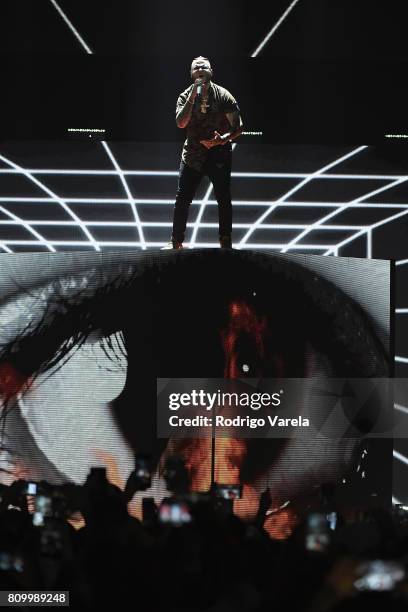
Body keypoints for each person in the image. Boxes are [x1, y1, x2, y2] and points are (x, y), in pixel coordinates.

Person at [163, 56, 243, 250]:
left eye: (204, 66)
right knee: (183, 198)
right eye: (195, 67)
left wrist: (222, 139)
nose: (199, 67)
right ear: (192, 74)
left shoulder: (223, 95)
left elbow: (238, 126)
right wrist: (192, 97)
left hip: (219, 153)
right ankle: (176, 241)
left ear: (210, 72)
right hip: (193, 154)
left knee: (223, 198)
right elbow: (181, 123)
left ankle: (225, 240)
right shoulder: (184, 96)